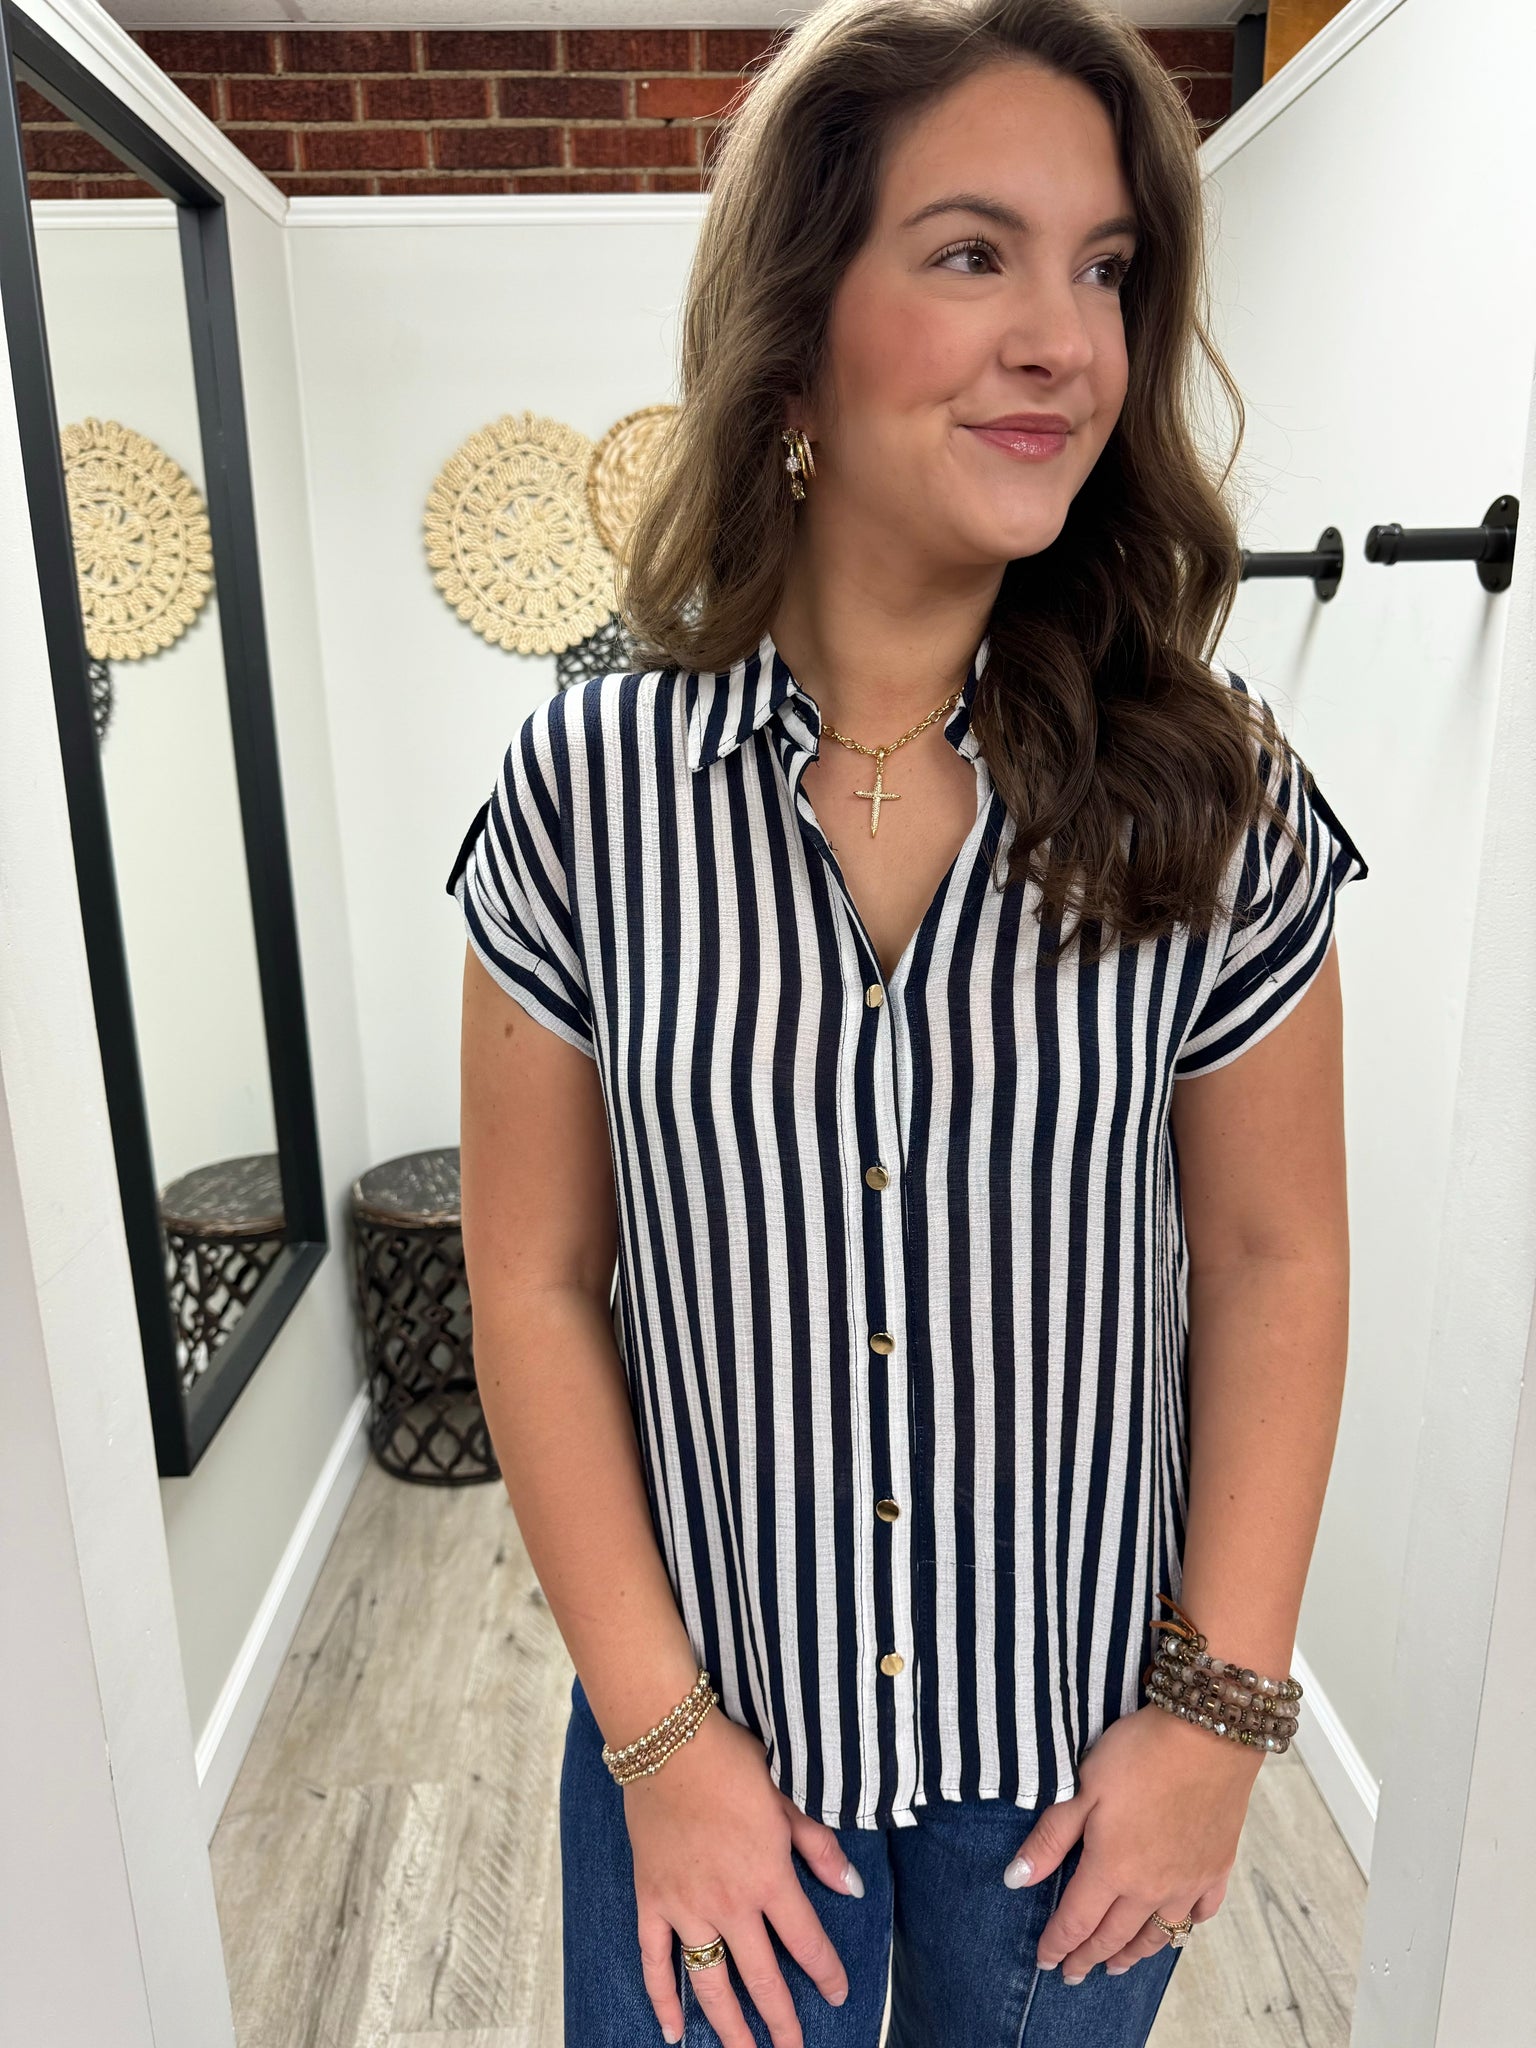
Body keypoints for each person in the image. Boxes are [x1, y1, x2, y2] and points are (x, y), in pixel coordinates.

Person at [447, 0, 1369, 2041]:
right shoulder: (585, 797)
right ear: (795, 332)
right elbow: (532, 1279)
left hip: (1073, 1767)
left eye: (1105, 269)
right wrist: (658, 1737)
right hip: (708, 1738)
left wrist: (1219, 1718)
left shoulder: (1216, 793)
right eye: (973, 253)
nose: (1065, 341)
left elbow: (1273, 1257)